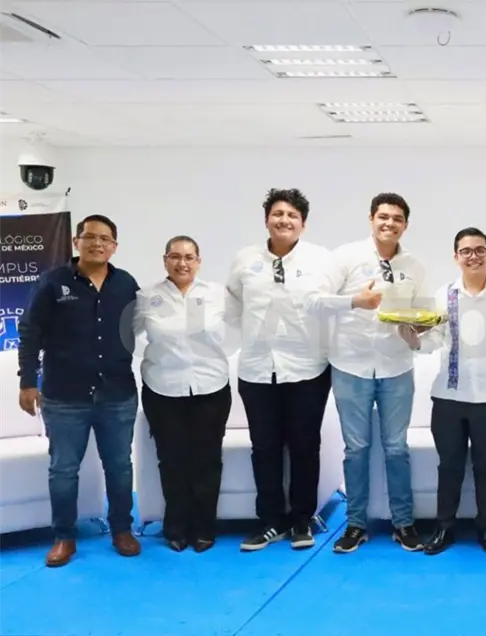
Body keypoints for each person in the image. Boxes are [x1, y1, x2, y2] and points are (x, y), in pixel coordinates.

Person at [306, 192, 429, 554]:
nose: (390, 223)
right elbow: (313, 300)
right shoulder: (346, 256)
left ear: (406, 225)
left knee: (396, 448)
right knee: (356, 449)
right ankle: (356, 524)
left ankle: (403, 522)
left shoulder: (414, 265)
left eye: (397, 218)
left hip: (397, 366)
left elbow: (422, 313)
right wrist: (355, 301)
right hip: (351, 365)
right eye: (383, 217)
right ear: (372, 219)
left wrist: (420, 328)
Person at [17, 214, 141, 567]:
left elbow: (141, 327)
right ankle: (64, 537)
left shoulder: (126, 284)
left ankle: (122, 530)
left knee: (119, 466)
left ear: (114, 246)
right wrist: (27, 381)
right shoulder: (52, 283)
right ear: (77, 242)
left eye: (105, 239)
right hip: (64, 396)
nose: (97, 243)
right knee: (63, 470)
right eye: (90, 237)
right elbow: (30, 331)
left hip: (117, 394)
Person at [401, 227, 486, 555]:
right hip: (448, 396)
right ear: (456, 257)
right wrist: (413, 338)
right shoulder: (445, 294)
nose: (473, 256)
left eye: (480, 250)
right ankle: (444, 528)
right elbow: (434, 339)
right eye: (466, 251)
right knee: (449, 465)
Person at [226, 188, 334, 552]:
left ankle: (302, 519)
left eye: (292, 215)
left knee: (305, 446)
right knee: (264, 448)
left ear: (303, 223)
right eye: (277, 214)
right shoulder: (245, 260)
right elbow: (233, 309)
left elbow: (333, 306)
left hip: (308, 369)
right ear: (266, 219)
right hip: (257, 370)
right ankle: (270, 521)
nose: (284, 220)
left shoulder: (321, 260)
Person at [134, 235, 233, 553]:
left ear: (199, 262)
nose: (182, 263)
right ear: (165, 260)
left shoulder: (217, 294)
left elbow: (244, 326)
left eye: (189, 257)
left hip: (210, 388)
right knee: (172, 461)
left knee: (207, 460)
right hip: (162, 390)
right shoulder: (146, 296)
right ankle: (175, 528)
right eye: (175, 256)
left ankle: (204, 528)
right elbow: (124, 334)